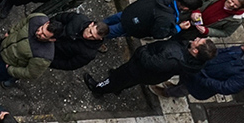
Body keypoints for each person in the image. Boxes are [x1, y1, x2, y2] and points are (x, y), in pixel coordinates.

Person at [86, 37, 215, 96]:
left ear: (196, 51)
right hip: (148, 75)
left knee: (117, 78)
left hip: (138, 69)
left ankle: (98, 88)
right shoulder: (196, 62)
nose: (196, 38)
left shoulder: (173, 59)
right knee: (128, 80)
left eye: (199, 41)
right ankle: (119, 87)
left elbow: (149, 63)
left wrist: (142, 50)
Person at [0, 11, 57, 94]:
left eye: (44, 35)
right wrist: (10, 32)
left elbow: (30, 73)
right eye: (41, 28)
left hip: (5, 65)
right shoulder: (37, 18)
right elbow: (22, 23)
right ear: (47, 22)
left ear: (52, 40)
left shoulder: (44, 56)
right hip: (2, 47)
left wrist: (11, 70)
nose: (38, 32)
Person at [175, 39, 244, 100]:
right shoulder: (241, 49)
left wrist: (202, 80)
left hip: (199, 84)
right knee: (182, 79)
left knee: (183, 89)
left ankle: (169, 92)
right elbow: (221, 51)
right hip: (197, 70)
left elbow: (225, 87)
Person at [101, 0, 192, 40]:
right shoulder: (168, 18)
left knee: (116, 18)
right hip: (135, 25)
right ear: (186, 8)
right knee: (112, 31)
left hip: (133, 9)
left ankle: (98, 25)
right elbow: (159, 34)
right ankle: (96, 38)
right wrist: (178, 28)